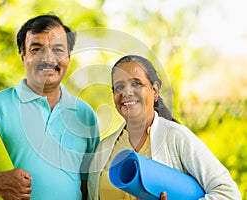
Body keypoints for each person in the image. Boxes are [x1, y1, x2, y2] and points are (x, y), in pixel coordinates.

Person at [0, 14, 99, 200]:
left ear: (68, 57)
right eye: (37, 49)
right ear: (23, 57)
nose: (48, 58)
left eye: (58, 50)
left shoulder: (85, 115)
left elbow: (89, 187)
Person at [87, 55, 241, 200]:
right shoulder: (103, 149)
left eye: (136, 83)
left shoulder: (176, 136)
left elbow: (228, 193)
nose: (126, 92)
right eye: (119, 86)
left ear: (154, 90)